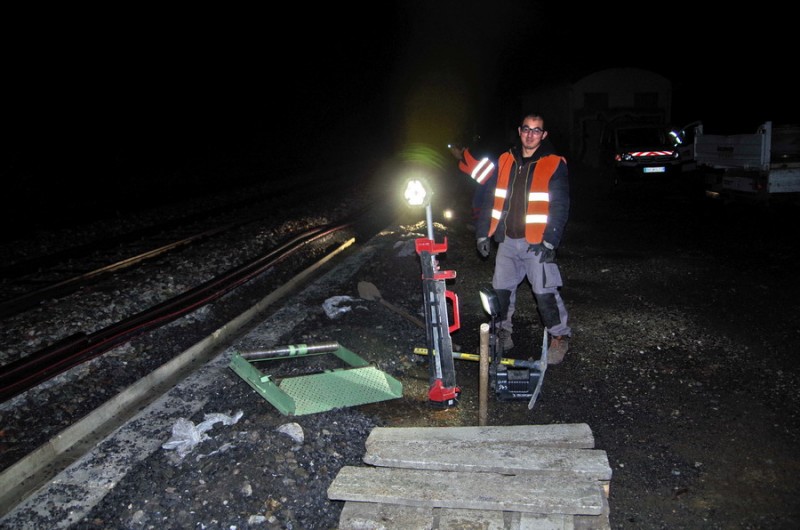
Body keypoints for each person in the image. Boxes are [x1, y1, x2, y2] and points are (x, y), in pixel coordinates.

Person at [474, 111, 572, 365]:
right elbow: (490, 200)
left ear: (544, 134)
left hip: (537, 242)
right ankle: (503, 333)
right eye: (526, 129)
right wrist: (482, 234)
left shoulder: (554, 163)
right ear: (519, 131)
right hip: (506, 240)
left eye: (536, 130)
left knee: (544, 292)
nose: (530, 134)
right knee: (501, 292)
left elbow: (560, 205)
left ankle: (559, 337)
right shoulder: (505, 160)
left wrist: (551, 240)